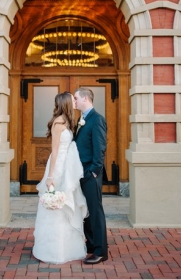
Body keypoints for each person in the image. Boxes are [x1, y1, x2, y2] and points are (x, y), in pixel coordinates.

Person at [32, 92, 88, 264]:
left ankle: (68, 247)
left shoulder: (68, 121)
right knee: (57, 206)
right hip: (58, 167)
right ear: (66, 102)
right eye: (72, 100)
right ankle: (53, 249)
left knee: (67, 203)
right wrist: (50, 177)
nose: (75, 102)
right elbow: (55, 151)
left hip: (68, 167)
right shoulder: (58, 123)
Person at [73, 87, 109, 264]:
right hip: (81, 172)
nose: (75, 101)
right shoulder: (82, 119)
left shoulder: (97, 119)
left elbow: (100, 148)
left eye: (76, 98)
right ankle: (91, 245)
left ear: (85, 98)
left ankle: (101, 251)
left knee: (95, 212)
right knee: (86, 212)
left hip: (91, 174)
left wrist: (94, 171)